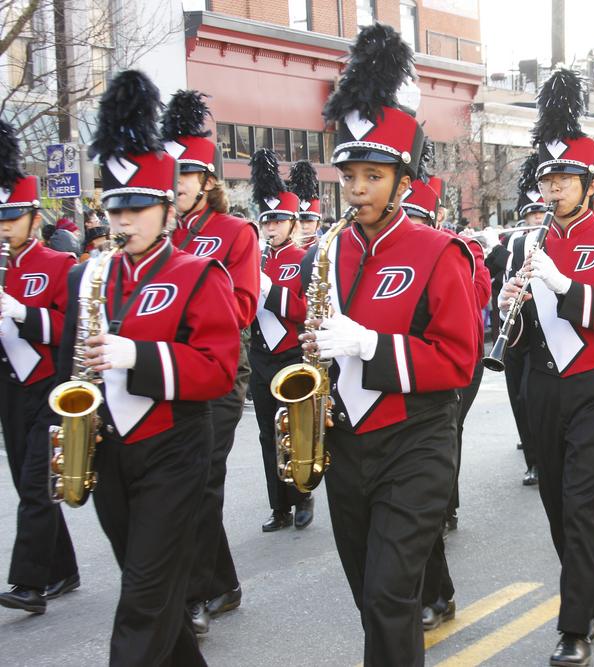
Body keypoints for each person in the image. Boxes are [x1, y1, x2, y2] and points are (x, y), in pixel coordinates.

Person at [307, 24, 480, 666]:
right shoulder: (325, 252)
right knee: (369, 598)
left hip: (416, 440)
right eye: (350, 175)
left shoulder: (441, 252)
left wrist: (371, 346)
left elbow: (459, 360)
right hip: (347, 442)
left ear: (402, 181)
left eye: (373, 176)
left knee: (388, 595)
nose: (357, 189)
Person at [66, 68, 239, 666]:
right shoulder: (90, 274)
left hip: (173, 449)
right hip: (111, 451)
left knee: (142, 598)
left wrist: (135, 356)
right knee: (155, 594)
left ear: (167, 208)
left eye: (138, 207)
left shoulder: (196, 274)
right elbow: (72, 374)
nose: (124, 221)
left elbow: (217, 370)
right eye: (115, 208)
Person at [498, 68, 594, 666]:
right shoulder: (526, 244)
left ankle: (574, 625)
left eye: (565, 179)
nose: (553, 190)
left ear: (589, 183)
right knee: (557, 504)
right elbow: (529, 327)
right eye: (548, 180)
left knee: (582, 503)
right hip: (542, 385)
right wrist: (512, 304)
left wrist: (568, 287)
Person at [161, 88, 261, 633]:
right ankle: (221, 583)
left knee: (200, 480)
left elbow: (243, 307)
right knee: (186, 482)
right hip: (170, 368)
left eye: (183, 176)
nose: (172, 186)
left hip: (222, 366)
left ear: (206, 182)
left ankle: (196, 593)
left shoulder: (235, 232)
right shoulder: (161, 234)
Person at [401, 151, 491, 631]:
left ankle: (436, 590)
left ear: (433, 216)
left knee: (428, 470)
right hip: (389, 380)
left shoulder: (461, 249)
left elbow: (474, 305)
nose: (409, 225)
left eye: (418, 217)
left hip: (450, 370)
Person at [0, 120, 80, 616]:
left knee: (35, 485)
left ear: (34, 216)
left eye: (11, 215)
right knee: (27, 484)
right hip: (10, 388)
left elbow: (64, 328)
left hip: (47, 385)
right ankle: (64, 568)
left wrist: (20, 313)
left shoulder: (56, 263)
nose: (4, 224)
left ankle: (28, 585)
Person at [247, 148, 314, 532]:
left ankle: (302, 495)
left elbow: (308, 309)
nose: (271, 228)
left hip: (291, 353)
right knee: (265, 432)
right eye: (266, 221)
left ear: (292, 222)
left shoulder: (305, 258)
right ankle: (279, 506)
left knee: (294, 426)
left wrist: (269, 291)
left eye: (278, 221)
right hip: (260, 354)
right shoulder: (253, 260)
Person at [486, 153, 548, 485]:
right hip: (514, 331)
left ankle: (543, 456)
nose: (536, 218)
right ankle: (532, 459)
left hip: (544, 330)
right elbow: (492, 274)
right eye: (531, 213)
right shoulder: (514, 242)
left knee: (533, 396)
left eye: (541, 212)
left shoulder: (555, 240)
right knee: (518, 398)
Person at [287, 159, 322, 249]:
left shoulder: (327, 249)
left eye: (310, 221)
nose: (304, 226)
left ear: (318, 224)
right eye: (300, 221)